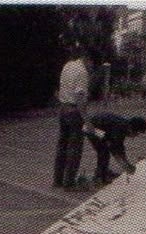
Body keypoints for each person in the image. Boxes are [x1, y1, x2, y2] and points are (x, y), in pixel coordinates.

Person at [53, 48, 89, 190]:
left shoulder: (67, 65)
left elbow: (61, 88)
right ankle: (69, 183)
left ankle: (57, 180)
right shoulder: (82, 72)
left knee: (62, 146)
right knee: (74, 148)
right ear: (88, 59)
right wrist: (87, 120)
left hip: (63, 109)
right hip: (74, 112)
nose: (91, 67)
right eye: (91, 64)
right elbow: (80, 98)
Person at [82, 112, 146, 185]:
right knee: (104, 151)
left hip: (101, 128)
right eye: (136, 133)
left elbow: (120, 147)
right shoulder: (119, 127)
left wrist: (126, 162)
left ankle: (104, 171)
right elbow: (114, 148)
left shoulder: (124, 126)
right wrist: (124, 165)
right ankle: (99, 176)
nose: (135, 136)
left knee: (106, 147)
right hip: (91, 127)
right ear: (131, 129)